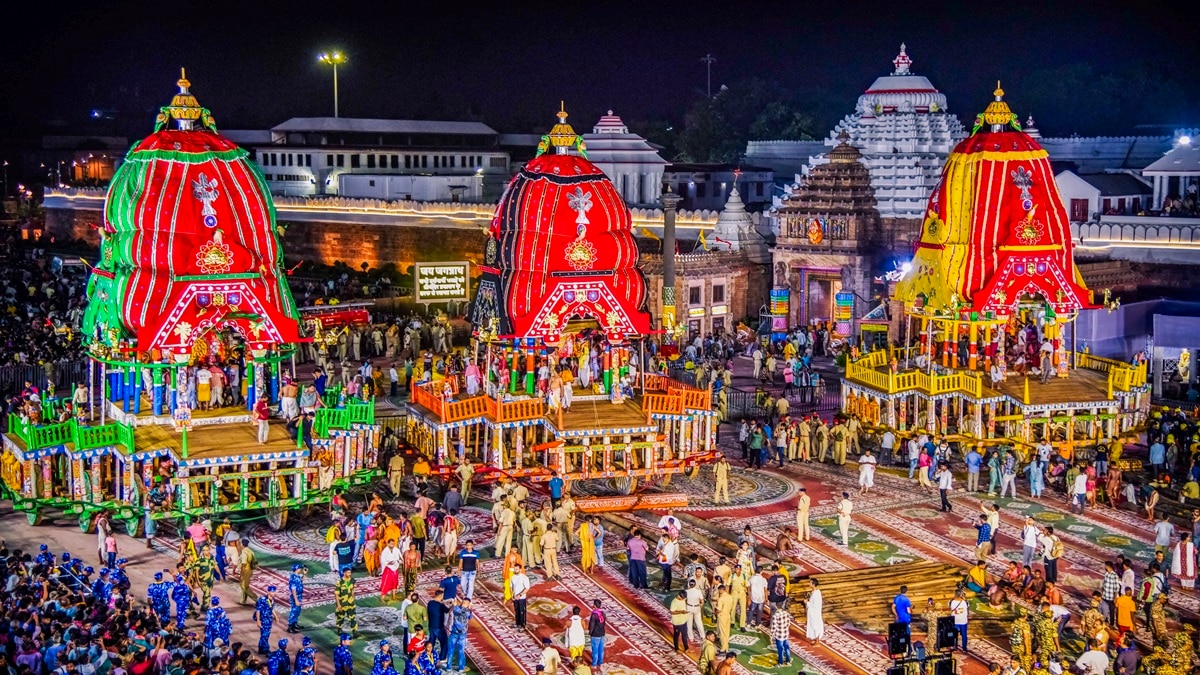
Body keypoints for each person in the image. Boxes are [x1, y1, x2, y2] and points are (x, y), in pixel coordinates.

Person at [511, 563, 530, 628]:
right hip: (515, 597)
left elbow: (527, 588)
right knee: (517, 611)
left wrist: (520, 595)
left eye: (517, 569)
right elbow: (512, 587)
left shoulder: (524, 578)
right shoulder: (513, 577)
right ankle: (517, 623)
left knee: (522, 612)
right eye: (514, 569)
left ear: (520, 569)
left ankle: (522, 625)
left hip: (522, 598)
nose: (515, 570)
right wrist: (512, 595)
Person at [588, 599, 606, 669]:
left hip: (595, 634)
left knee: (595, 650)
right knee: (601, 649)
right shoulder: (603, 613)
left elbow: (592, 625)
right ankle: (600, 662)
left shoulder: (594, 615)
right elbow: (604, 623)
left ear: (594, 605)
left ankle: (594, 664)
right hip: (602, 633)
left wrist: (590, 633)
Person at [805, 577, 824, 644]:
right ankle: (815, 638)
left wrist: (807, 603)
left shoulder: (817, 594)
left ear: (813, 584)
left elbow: (815, 605)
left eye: (810, 582)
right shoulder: (814, 592)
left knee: (815, 625)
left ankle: (817, 641)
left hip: (815, 613)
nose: (809, 584)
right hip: (812, 612)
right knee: (812, 625)